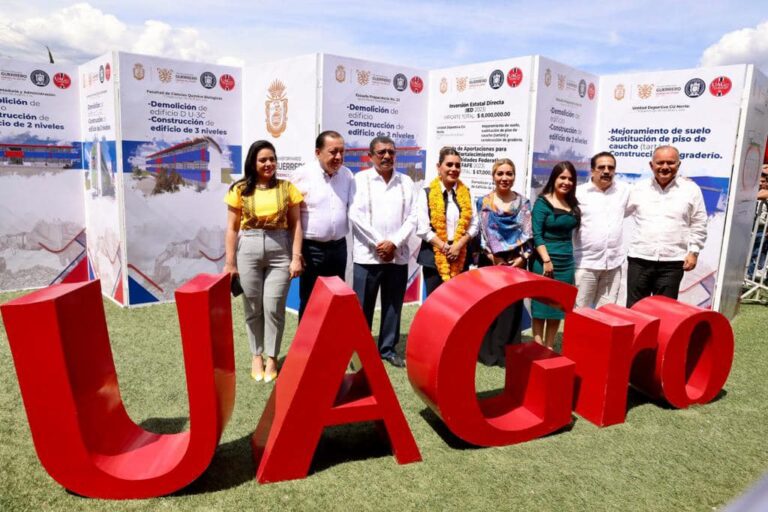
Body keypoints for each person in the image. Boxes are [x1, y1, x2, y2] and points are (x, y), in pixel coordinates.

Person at [224, 140, 304, 383]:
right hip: (247, 248)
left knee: (273, 307)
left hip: (280, 250)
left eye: (272, 159)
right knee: (252, 306)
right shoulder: (239, 189)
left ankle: (272, 357)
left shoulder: (287, 188)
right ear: (253, 162)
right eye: (263, 160)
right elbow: (232, 229)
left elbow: (296, 225)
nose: (269, 164)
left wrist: (296, 258)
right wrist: (230, 263)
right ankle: (256, 355)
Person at [350, 136, 417, 368]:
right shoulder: (360, 180)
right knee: (362, 306)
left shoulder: (406, 181)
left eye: (391, 152)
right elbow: (355, 215)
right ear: (371, 156)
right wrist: (380, 243)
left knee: (393, 305)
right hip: (367, 256)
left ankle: (388, 349)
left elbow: (413, 217)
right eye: (381, 152)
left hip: (397, 256)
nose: (387, 156)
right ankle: (361, 351)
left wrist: (394, 243)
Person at [625, 145, 707, 308]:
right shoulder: (638, 188)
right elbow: (618, 212)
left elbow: (699, 222)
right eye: (660, 162)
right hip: (640, 259)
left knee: (664, 310)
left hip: (672, 261)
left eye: (670, 162)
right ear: (651, 165)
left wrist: (694, 252)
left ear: (678, 164)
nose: (664, 167)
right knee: (635, 309)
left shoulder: (691, 189)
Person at [475, 158, 533, 366]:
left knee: (511, 307)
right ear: (493, 176)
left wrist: (521, 259)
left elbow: (528, 233)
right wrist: (493, 258)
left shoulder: (523, 203)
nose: (504, 178)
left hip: (516, 261)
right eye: (500, 173)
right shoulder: (483, 202)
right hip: (490, 261)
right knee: (489, 306)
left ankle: (506, 354)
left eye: (509, 173)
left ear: (514, 176)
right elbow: (481, 233)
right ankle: (487, 352)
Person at [291, 130, 354, 318]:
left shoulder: (347, 175)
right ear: (318, 153)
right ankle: (306, 338)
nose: (338, 157)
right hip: (311, 250)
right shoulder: (301, 175)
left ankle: (332, 336)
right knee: (310, 300)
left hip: (339, 248)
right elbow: (291, 217)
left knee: (336, 298)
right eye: (333, 152)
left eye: (342, 152)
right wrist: (296, 254)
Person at [416, 146, 479, 295]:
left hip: (461, 254)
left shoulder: (467, 193)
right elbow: (423, 229)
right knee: (435, 301)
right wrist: (446, 248)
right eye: (449, 164)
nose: (454, 169)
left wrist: (458, 246)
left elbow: (474, 224)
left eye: (457, 165)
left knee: (458, 301)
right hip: (434, 257)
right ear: (439, 167)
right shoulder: (426, 193)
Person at [531, 161, 580, 349]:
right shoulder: (542, 202)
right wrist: (546, 260)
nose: (566, 182)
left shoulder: (573, 204)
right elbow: (537, 234)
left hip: (566, 263)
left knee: (557, 308)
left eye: (570, 179)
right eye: (562, 177)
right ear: (554, 178)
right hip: (544, 262)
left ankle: (549, 347)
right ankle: (537, 347)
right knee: (541, 307)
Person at [573, 151, 630, 308]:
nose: (606, 171)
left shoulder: (624, 191)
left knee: (607, 313)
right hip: (586, 264)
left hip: (613, 265)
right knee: (580, 311)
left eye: (610, 168)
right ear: (592, 170)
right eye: (601, 167)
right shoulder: (577, 193)